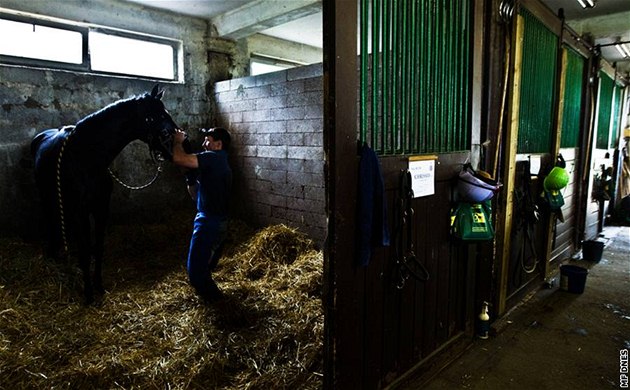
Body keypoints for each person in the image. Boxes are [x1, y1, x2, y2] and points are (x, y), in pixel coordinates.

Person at [172, 127, 232, 302]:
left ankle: (220, 304)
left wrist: (178, 140)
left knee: (196, 272)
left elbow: (178, 158)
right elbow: (195, 195)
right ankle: (213, 297)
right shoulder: (219, 161)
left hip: (209, 223)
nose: (204, 144)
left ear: (218, 144)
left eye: (208, 141)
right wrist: (190, 178)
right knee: (205, 266)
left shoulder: (213, 158)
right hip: (217, 221)